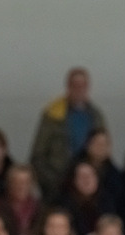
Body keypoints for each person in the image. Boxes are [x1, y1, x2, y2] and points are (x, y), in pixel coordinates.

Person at [30, 67, 106, 201]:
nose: (79, 89)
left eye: (83, 85)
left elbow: (104, 149)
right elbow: (37, 155)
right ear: (68, 87)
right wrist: (51, 181)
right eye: (75, 85)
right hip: (58, 184)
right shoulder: (52, 116)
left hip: (89, 186)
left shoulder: (96, 116)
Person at [60, 161, 116, 235]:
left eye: (91, 175)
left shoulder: (106, 200)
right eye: (82, 176)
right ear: (74, 180)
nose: (87, 180)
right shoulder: (65, 204)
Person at [75, 128, 125, 208]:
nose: (101, 148)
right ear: (88, 145)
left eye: (104, 144)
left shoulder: (115, 175)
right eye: (97, 143)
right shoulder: (74, 168)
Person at [0, 164, 41, 235]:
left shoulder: (40, 208)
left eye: (26, 182)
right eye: (17, 182)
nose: (21, 186)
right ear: (10, 183)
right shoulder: (0, 208)